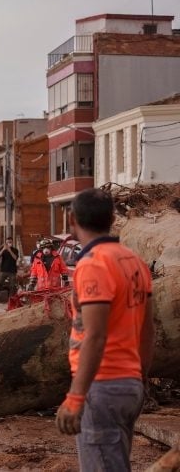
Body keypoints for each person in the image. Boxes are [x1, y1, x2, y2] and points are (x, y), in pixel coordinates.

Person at [55, 188, 154, 472]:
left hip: (102, 387)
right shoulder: (135, 262)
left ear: (71, 220)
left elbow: (95, 335)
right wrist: (140, 377)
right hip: (128, 385)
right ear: (112, 218)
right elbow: (148, 330)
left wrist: (75, 397)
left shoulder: (93, 264)